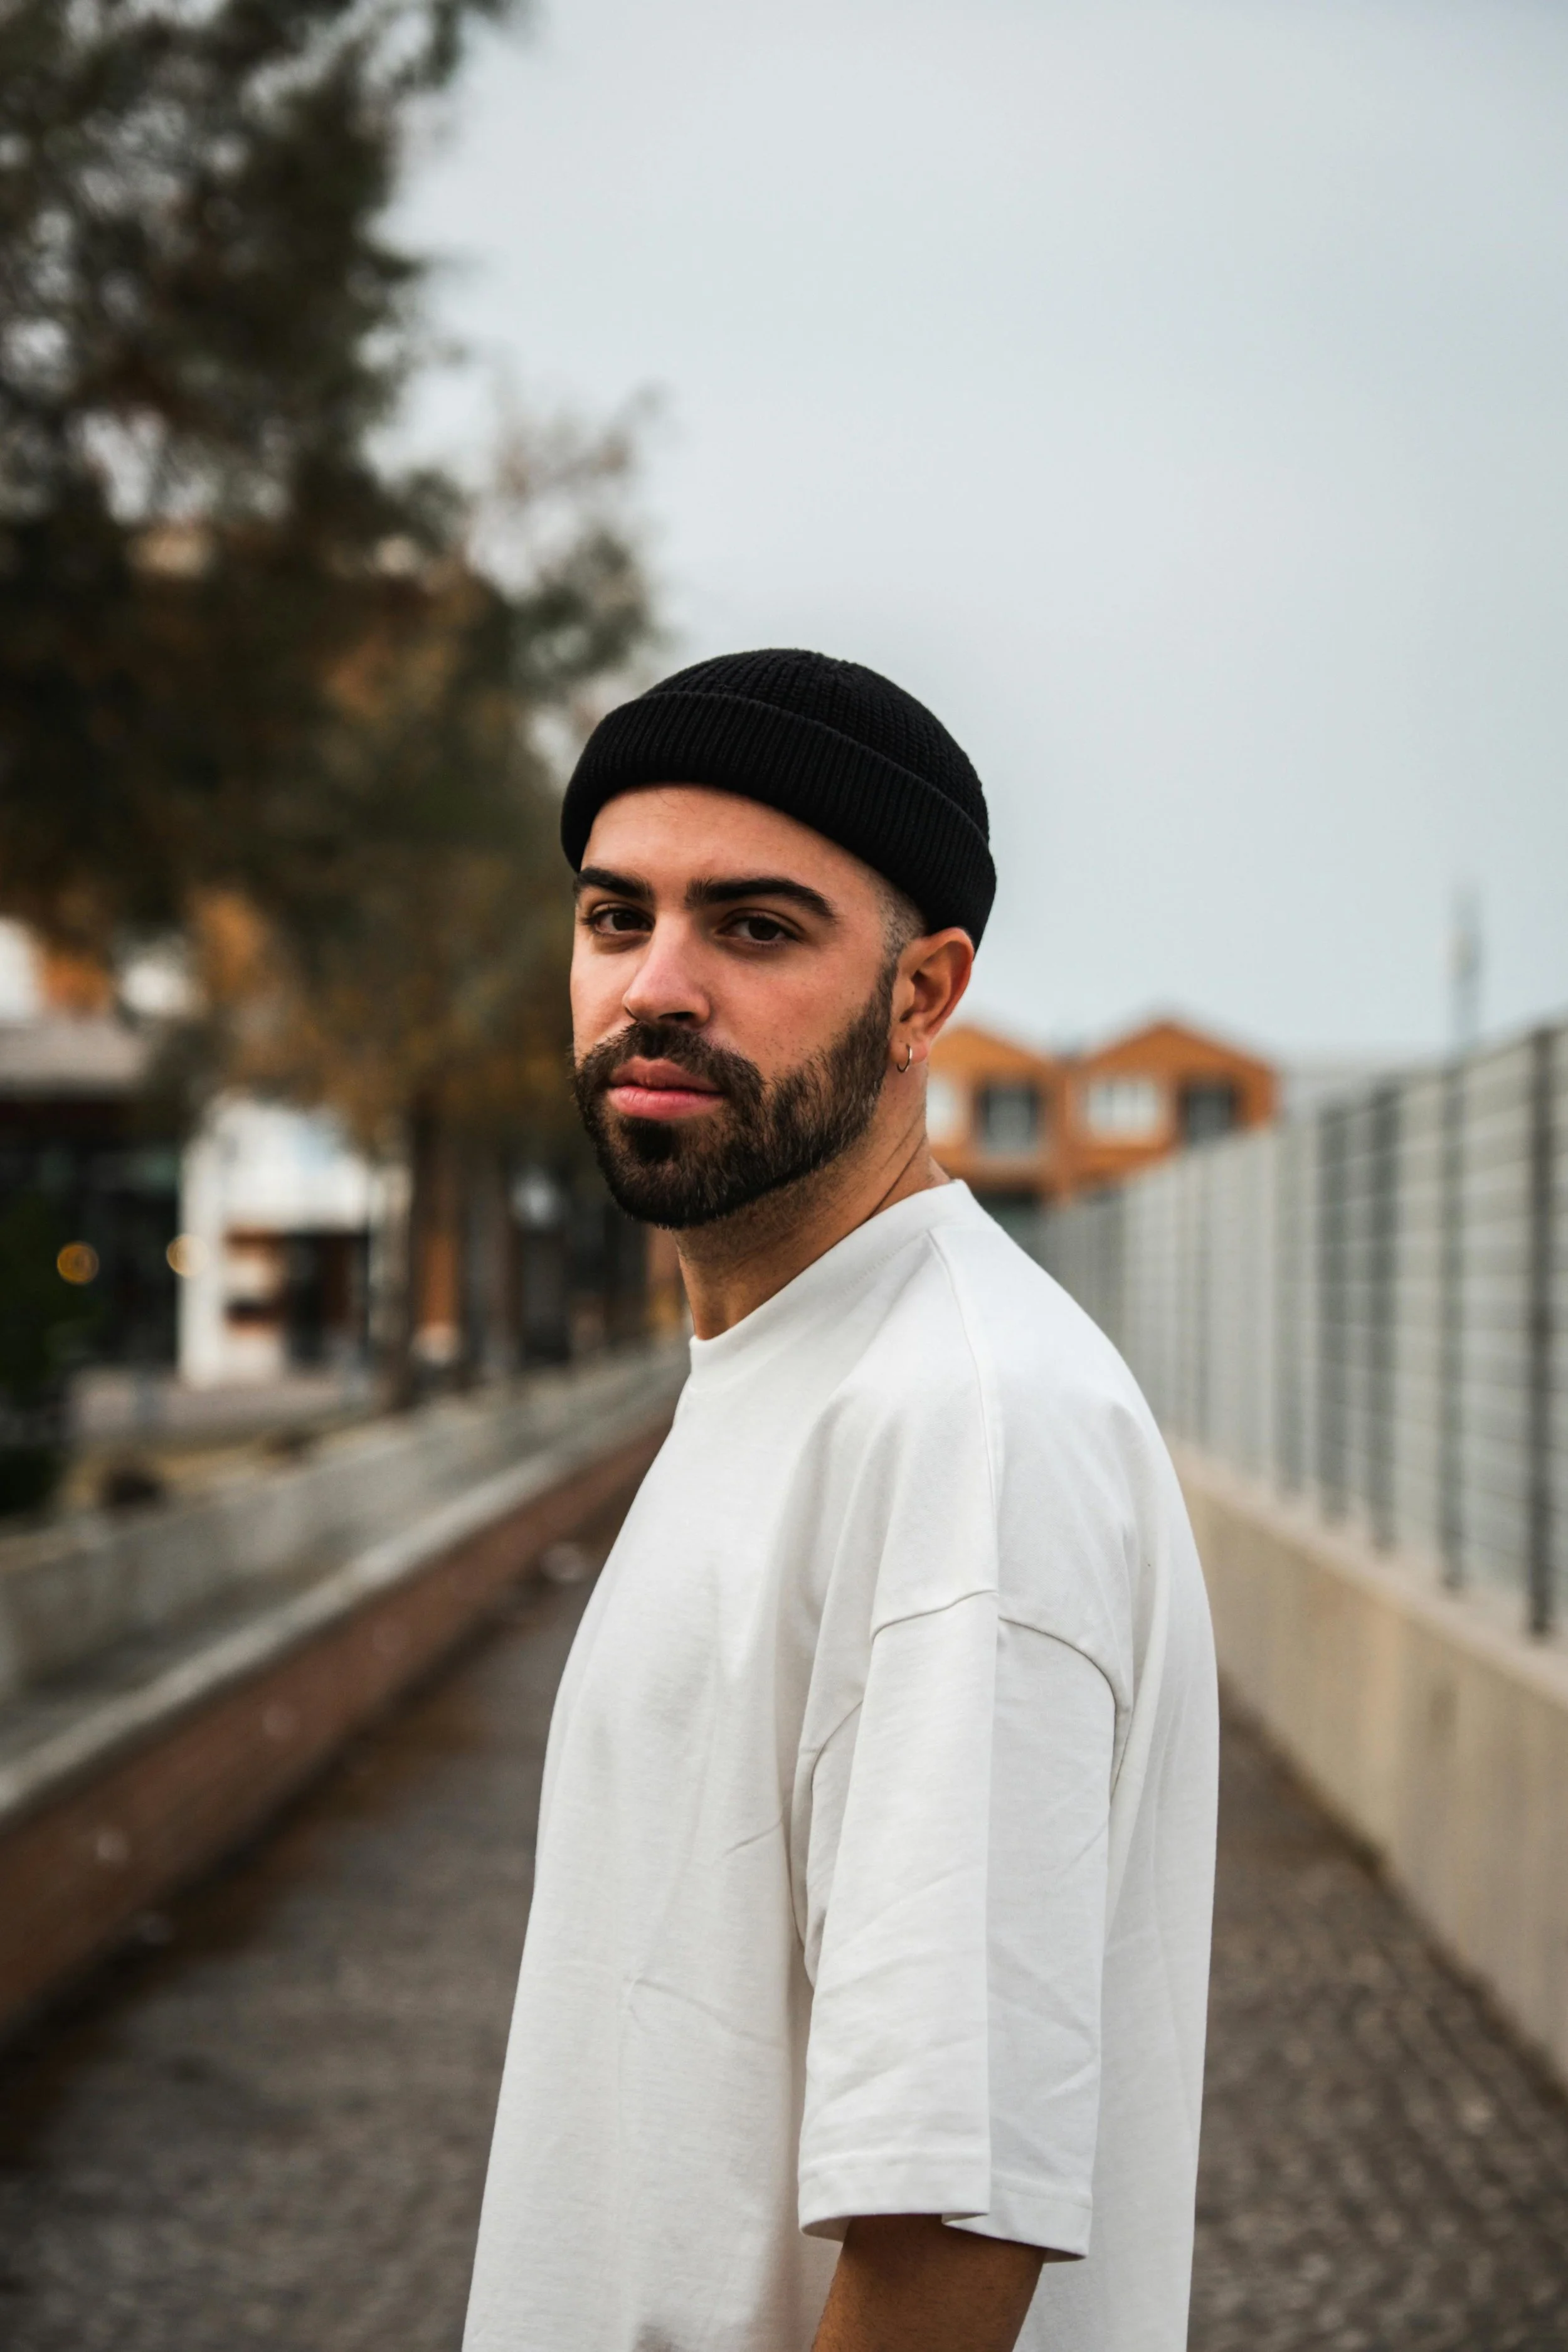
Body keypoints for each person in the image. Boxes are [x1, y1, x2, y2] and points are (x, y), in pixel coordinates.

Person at [463, 650, 1218, 2352]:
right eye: (614, 917)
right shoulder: (786, 1369)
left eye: (753, 927)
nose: (656, 987)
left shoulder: (966, 1424)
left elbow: (949, 2216)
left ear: (920, 993)